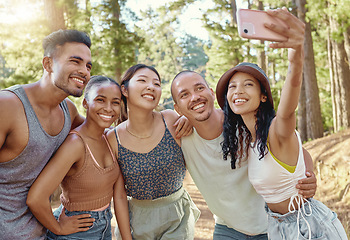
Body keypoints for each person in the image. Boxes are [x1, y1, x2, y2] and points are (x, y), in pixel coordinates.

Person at [170, 10, 317, 240]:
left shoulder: (246, 124)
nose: (195, 97)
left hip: (271, 227)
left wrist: (307, 175)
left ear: (210, 93)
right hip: (227, 229)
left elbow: (294, 141)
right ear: (177, 107)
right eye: (184, 94)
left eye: (199, 89)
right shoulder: (180, 132)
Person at [215, 8, 347, 240]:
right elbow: (300, 151)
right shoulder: (250, 139)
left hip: (309, 227)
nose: (238, 91)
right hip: (278, 229)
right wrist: (307, 170)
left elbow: (289, 106)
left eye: (247, 85)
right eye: (232, 87)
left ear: (263, 96)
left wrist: (296, 54)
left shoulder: (277, 129)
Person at [0, 29, 92, 239]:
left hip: (39, 232)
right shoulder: (7, 106)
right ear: (48, 64)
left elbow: (100, 135)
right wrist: (58, 228)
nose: (84, 71)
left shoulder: (68, 110)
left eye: (88, 66)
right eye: (75, 61)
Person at [27, 76, 132, 239]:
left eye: (115, 102)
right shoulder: (75, 144)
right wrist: (58, 228)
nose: (108, 108)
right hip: (75, 232)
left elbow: (119, 194)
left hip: (104, 227)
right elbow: (35, 198)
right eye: (100, 100)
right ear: (85, 103)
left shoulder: (110, 137)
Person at [106, 64, 200, 240]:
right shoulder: (113, 139)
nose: (151, 86)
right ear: (124, 90)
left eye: (157, 84)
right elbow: (119, 195)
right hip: (137, 222)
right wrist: (127, 237)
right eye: (142, 80)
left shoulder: (171, 120)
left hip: (177, 219)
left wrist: (190, 119)